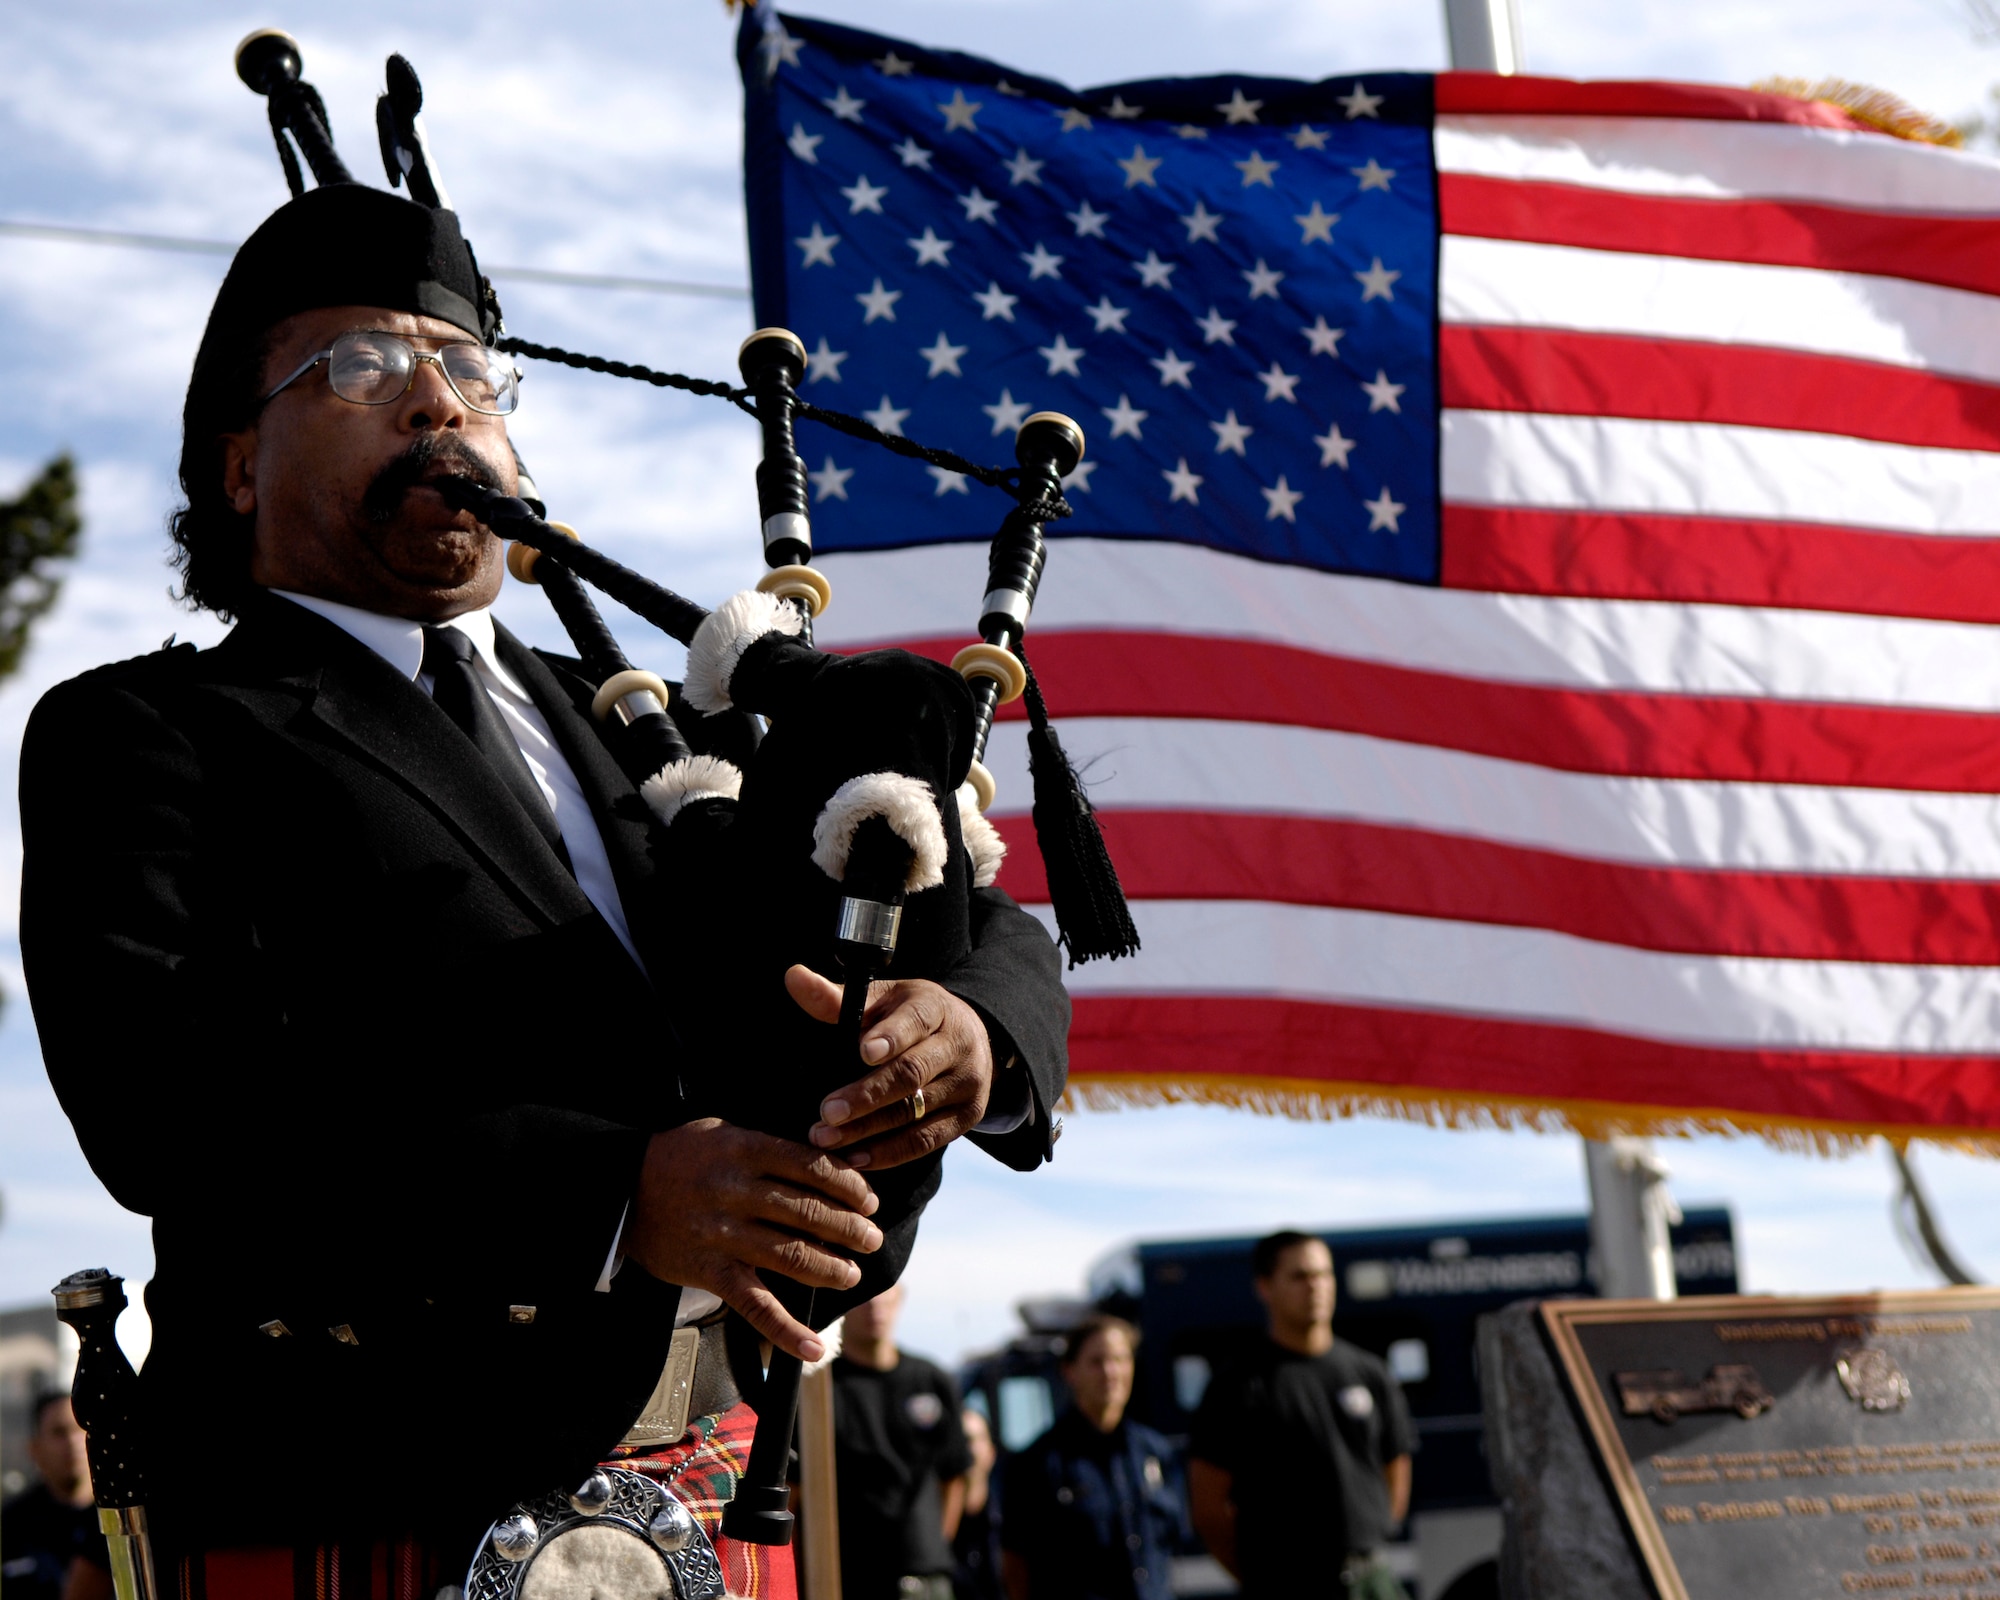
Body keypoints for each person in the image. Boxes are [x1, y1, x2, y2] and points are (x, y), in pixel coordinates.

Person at [18, 175, 1070, 1593]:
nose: (440, 403)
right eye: (365, 366)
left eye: (469, 372)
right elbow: (170, 1104)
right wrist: (613, 1194)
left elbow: (974, 916)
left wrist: (975, 1035)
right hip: (360, 1490)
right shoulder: (150, 731)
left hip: (707, 1492)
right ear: (240, 466)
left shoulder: (646, 717)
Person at [1189, 1232, 1414, 1600]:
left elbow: (1396, 1471)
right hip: (1287, 1583)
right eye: (1300, 1276)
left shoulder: (1370, 1373)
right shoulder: (1237, 1385)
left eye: (1324, 1274)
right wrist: (1268, 1578)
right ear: (1265, 1288)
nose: (1316, 1287)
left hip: (1372, 1582)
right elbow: (1208, 1510)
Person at [1000, 1314, 1186, 1600]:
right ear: (1069, 1371)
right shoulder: (1037, 1463)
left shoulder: (1155, 1452)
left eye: (1121, 1359)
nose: (1111, 1372)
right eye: (1097, 1362)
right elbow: (1015, 1565)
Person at [829, 1287, 974, 1600]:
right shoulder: (821, 1389)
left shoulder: (933, 1379)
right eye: (864, 1296)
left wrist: (933, 1544)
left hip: (927, 1577)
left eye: (884, 1294)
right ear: (842, 1305)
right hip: (851, 1577)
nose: (875, 1306)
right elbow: (798, 1494)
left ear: (900, 1300)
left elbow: (955, 1476)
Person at [1, 1394, 104, 1600]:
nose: (73, 1442)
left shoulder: (121, 1518)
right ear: (35, 1448)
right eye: (60, 1433)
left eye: (81, 1430)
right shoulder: (11, 1526)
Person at [952, 1407, 1003, 1600]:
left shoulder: (1013, 1524)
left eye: (975, 1439)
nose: (968, 1449)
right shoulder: (935, 1532)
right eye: (961, 1440)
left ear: (992, 1452)